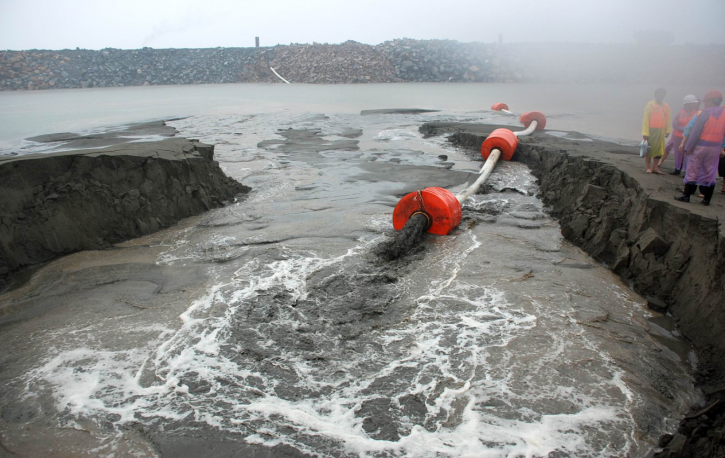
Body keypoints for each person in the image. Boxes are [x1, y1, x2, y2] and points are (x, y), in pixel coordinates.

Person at [675, 90, 725, 205]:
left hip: (701, 146)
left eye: (706, 102)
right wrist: (722, 147)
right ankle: (706, 200)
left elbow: (695, 133)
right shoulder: (724, 113)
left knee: (693, 170)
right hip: (715, 148)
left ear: (710, 101)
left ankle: (686, 196)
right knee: (710, 172)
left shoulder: (704, 113)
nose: (705, 104)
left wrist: (688, 148)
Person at [661, 95, 699, 175]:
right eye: (693, 103)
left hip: (689, 137)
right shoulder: (680, 113)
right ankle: (677, 168)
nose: (695, 105)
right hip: (677, 136)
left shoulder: (696, 113)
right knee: (678, 153)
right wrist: (686, 129)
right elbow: (675, 125)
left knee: (687, 153)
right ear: (688, 104)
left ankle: (685, 170)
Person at [642, 88, 671, 174]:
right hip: (651, 131)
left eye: (662, 94)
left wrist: (668, 130)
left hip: (661, 131)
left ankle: (655, 167)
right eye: (659, 94)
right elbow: (646, 119)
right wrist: (645, 133)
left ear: (664, 95)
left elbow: (668, 119)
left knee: (659, 150)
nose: (660, 96)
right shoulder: (650, 105)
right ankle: (649, 167)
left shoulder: (666, 106)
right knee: (648, 150)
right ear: (655, 95)